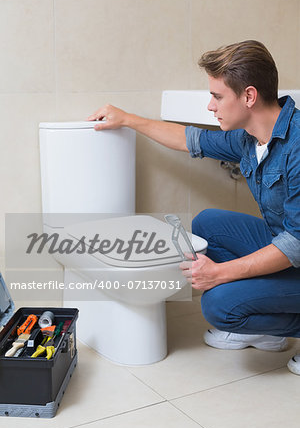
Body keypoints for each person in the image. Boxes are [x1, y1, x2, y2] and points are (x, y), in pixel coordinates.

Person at [88, 40, 300, 375]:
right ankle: (267, 327)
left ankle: (264, 314)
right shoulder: (251, 137)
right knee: (208, 223)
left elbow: (297, 244)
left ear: (248, 96)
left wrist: (221, 274)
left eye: (217, 96)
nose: (210, 107)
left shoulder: (298, 145)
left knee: (219, 306)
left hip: (297, 250)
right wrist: (127, 119)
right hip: (288, 247)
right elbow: (191, 140)